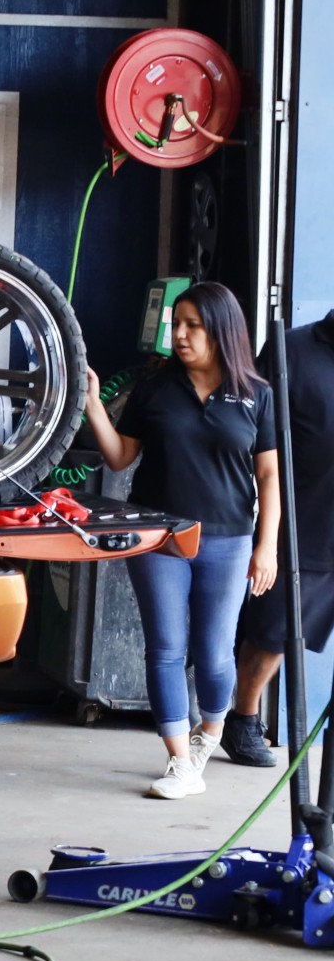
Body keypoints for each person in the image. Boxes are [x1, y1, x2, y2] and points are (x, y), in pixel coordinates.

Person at [82, 281, 280, 801]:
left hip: (229, 539)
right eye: (178, 324)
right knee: (165, 649)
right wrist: (92, 406)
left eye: (194, 325)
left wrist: (268, 545)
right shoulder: (154, 388)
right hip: (159, 537)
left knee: (214, 654)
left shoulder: (258, 396)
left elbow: (270, 479)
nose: (181, 334)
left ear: (222, 330)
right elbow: (121, 458)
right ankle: (178, 762)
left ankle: (206, 737)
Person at [225, 308, 334, 766]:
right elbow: (255, 431)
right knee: (273, 636)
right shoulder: (293, 349)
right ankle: (243, 720)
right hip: (302, 525)